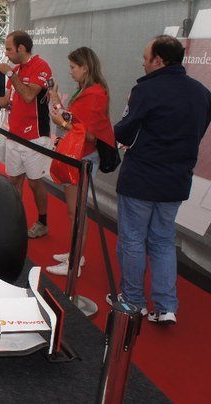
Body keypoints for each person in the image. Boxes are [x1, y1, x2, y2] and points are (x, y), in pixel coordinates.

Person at [111, 35, 211, 325]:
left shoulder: (146, 90)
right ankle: (167, 306)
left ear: (158, 60)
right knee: (164, 241)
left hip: (142, 177)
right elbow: (198, 132)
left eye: (145, 58)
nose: (142, 63)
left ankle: (133, 300)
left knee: (133, 239)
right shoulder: (201, 92)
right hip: (176, 179)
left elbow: (124, 133)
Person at [45, 47, 115, 276]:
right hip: (78, 155)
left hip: (82, 157)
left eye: (73, 67)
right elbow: (75, 121)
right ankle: (76, 255)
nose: (70, 72)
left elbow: (89, 133)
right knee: (73, 213)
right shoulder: (87, 91)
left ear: (85, 67)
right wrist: (56, 102)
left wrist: (63, 123)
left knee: (76, 214)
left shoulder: (94, 93)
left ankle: (74, 264)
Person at [0, 31, 53, 238]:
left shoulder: (41, 66)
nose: (6, 53)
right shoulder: (17, 69)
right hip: (15, 135)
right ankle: (16, 219)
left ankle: (42, 222)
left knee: (35, 181)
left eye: (9, 49)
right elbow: (6, 102)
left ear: (21, 48)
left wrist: (11, 74)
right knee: (14, 180)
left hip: (36, 135)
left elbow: (28, 96)